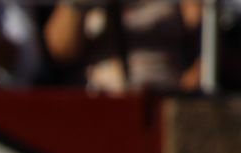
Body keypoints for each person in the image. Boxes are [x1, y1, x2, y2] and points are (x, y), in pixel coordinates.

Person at [43, 0, 201, 92]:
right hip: (96, 104)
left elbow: (206, 45)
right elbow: (60, 50)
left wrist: (183, 97)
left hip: (162, 102)